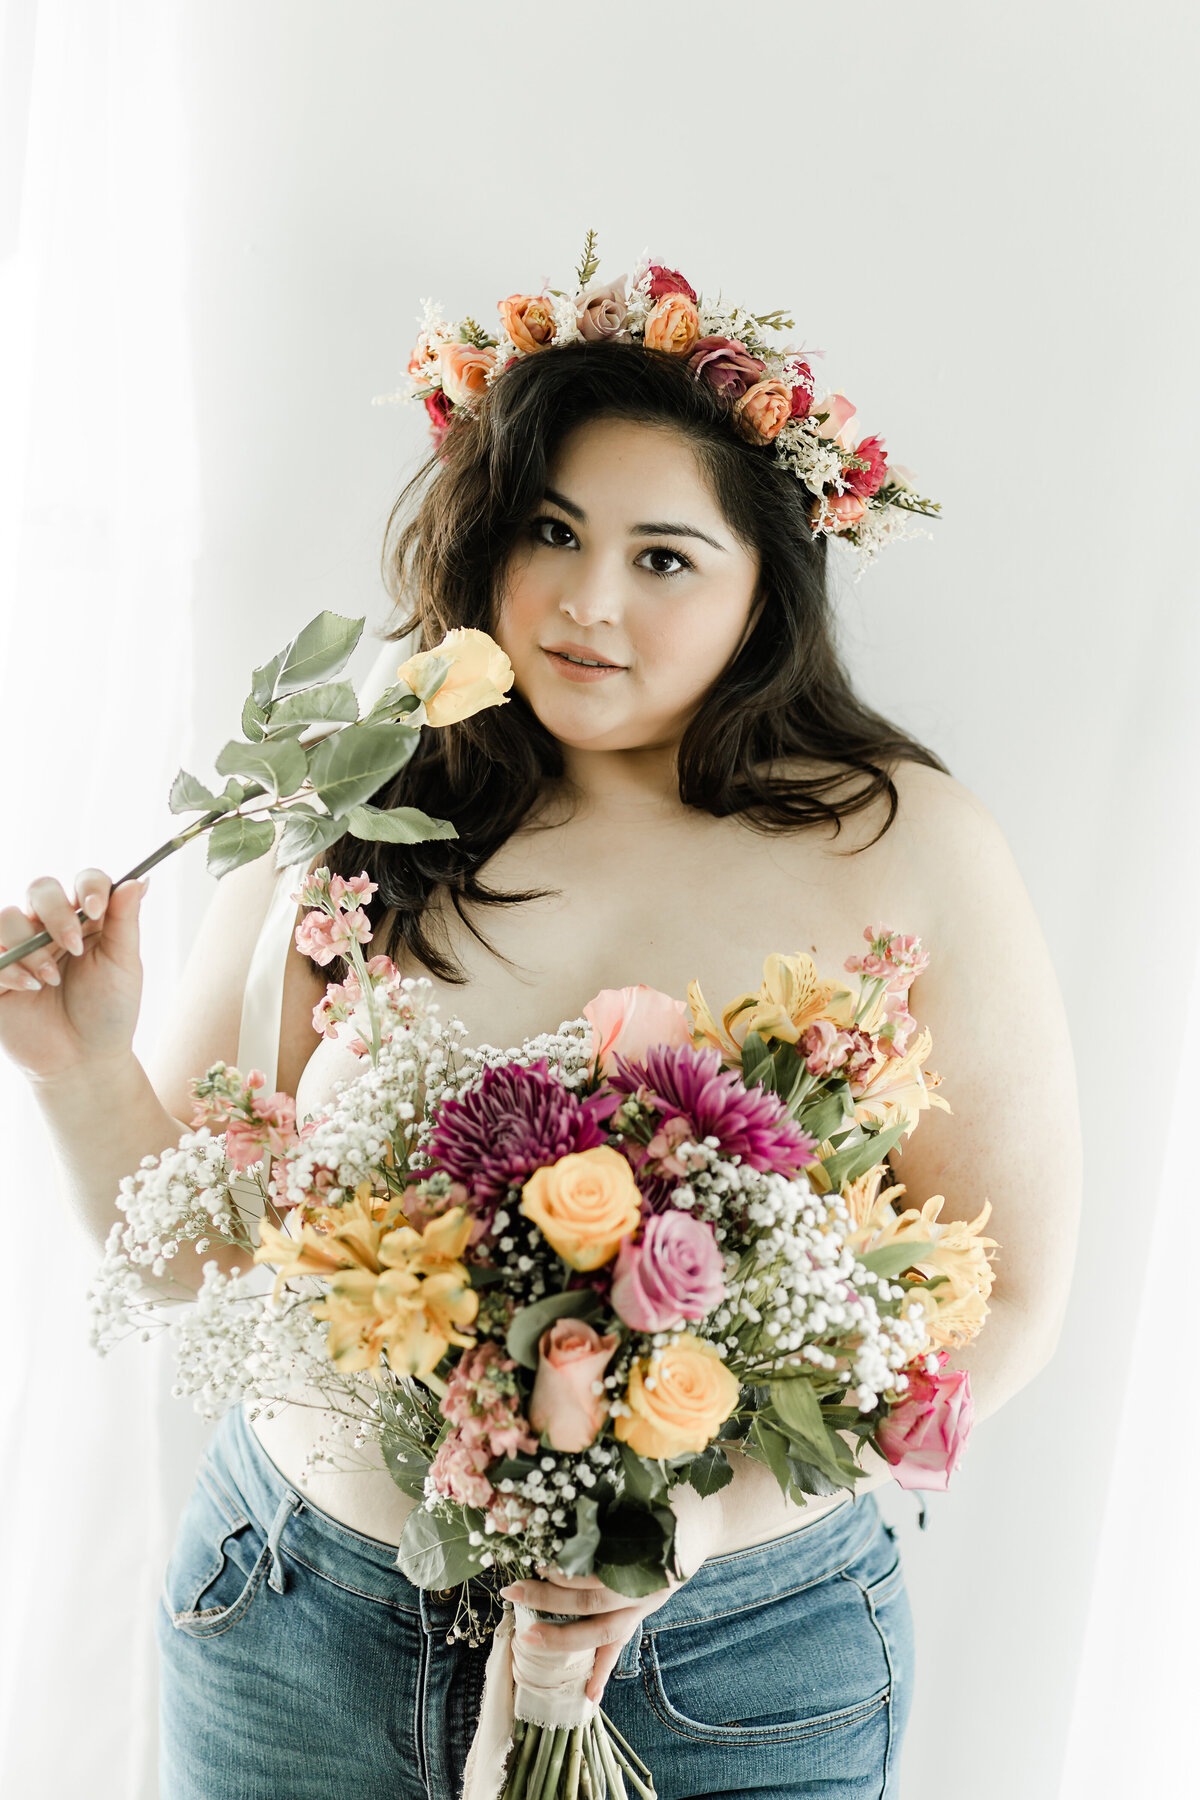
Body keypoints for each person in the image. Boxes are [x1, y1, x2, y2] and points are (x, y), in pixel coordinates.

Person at [0, 327, 1081, 1799]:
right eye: (552, 531)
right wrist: (79, 1065)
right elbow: (194, 1252)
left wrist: (680, 1522)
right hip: (295, 1621)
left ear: (768, 583)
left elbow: (1006, 1294)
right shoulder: (361, 793)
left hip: (725, 1666)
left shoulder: (899, 842)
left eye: (664, 557)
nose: (587, 602)